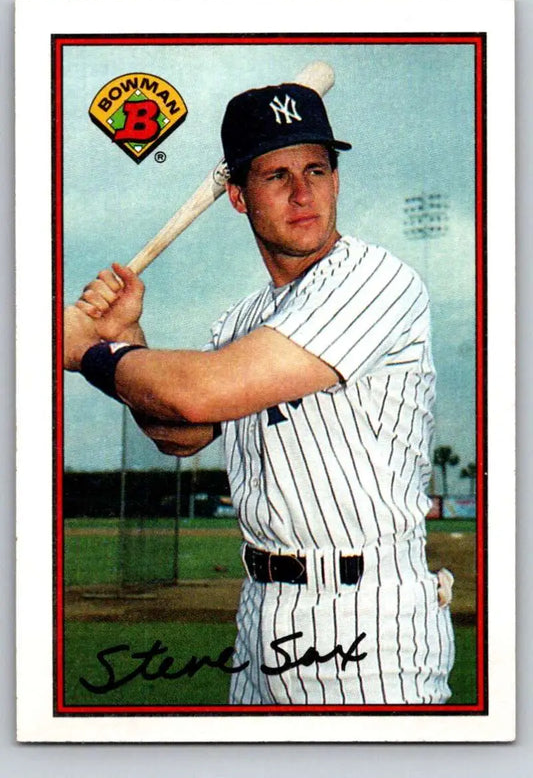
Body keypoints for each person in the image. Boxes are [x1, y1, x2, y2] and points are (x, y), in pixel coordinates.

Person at [64, 81, 455, 705]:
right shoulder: (243, 320)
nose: (303, 193)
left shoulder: (375, 280)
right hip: (261, 610)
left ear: (336, 180)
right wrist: (124, 336)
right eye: (276, 176)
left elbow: (201, 393)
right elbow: (180, 431)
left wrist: (87, 352)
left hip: (369, 615)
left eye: (316, 170)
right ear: (240, 198)